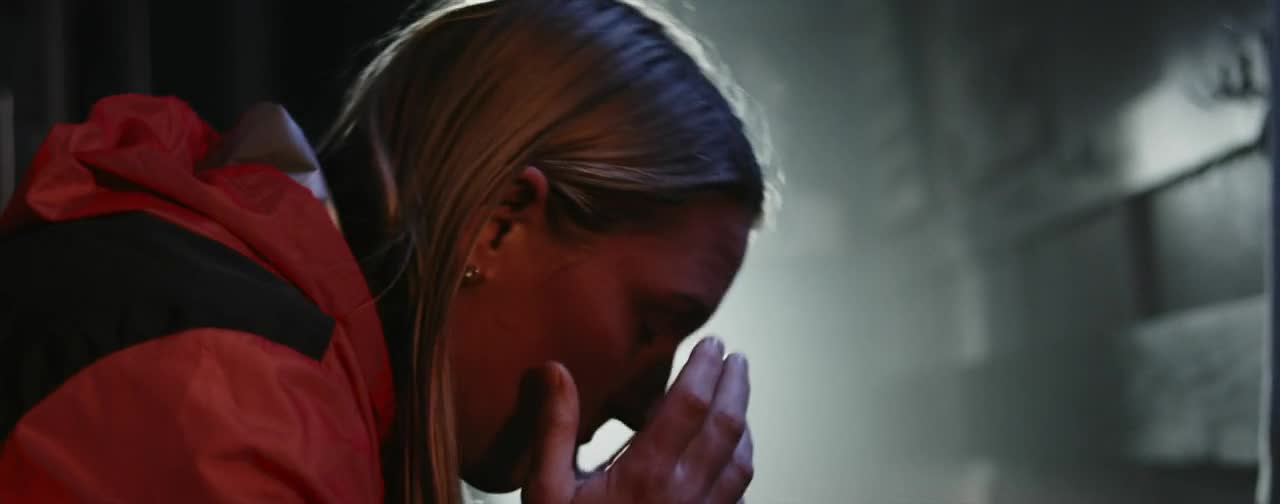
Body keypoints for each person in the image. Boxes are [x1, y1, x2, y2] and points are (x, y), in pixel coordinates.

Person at [0, 0, 766, 502]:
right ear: (499, 222)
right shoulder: (230, 401)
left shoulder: (261, 355)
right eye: (649, 325)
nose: (645, 404)